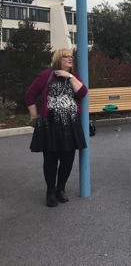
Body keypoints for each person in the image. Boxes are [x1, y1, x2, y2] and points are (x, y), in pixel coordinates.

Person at [26, 49, 87, 207]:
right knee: (51, 159)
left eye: (71, 56)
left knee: (68, 159)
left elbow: (82, 92)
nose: (70, 59)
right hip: (50, 124)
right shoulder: (47, 75)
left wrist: (70, 76)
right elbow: (30, 94)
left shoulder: (74, 76)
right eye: (66, 57)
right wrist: (34, 116)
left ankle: (61, 189)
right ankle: (50, 192)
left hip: (70, 124)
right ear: (59, 59)